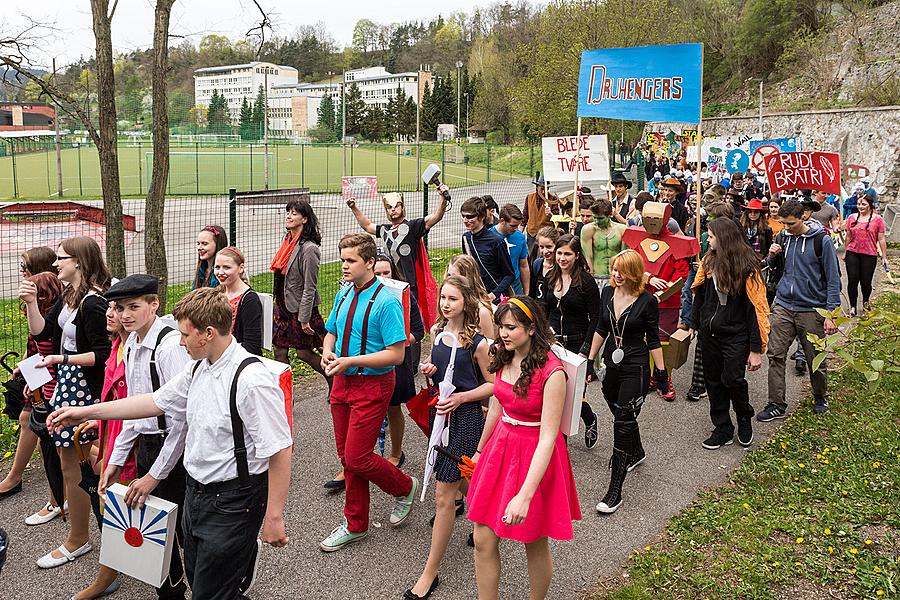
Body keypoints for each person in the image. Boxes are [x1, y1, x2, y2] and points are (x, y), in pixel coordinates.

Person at [49, 287, 293, 599]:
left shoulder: (251, 380)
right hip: (197, 493)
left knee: (208, 593)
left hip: (235, 500)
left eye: (184, 335)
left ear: (207, 333)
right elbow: (151, 402)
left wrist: (274, 516)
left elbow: (280, 449)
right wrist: (84, 412)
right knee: (204, 581)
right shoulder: (198, 368)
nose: (179, 342)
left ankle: (238, 557)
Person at [467, 296, 580, 600]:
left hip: (535, 454)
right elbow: (496, 406)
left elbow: (548, 437)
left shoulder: (553, 372)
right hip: (500, 448)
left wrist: (525, 495)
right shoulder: (503, 354)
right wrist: (479, 451)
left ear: (531, 329)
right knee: (482, 538)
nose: (502, 333)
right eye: (501, 326)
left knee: (534, 539)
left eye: (511, 327)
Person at [319, 233, 418, 552]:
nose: (344, 266)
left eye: (350, 261)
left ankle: (404, 487)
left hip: (373, 385)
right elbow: (331, 330)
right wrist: (327, 351)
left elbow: (397, 354)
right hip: (343, 382)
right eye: (342, 259)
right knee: (348, 458)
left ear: (370, 263)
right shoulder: (344, 293)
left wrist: (351, 360)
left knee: (358, 457)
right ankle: (356, 524)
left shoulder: (388, 301)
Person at [18, 236, 111, 569]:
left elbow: (103, 356)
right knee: (72, 460)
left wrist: (62, 359)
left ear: (79, 262)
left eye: (62, 258)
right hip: (69, 385)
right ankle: (81, 533)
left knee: (80, 461)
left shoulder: (94, 302)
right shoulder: (69, 298)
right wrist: (31, 304)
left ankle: (79, 538)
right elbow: (43, 334)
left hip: (85, 389)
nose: (56, 264)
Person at [405, 276, 494, 600]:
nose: (445, 303)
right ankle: (486, 503)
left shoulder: (479, 343)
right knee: (459, 479)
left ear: (466, 303)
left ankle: (430, 573)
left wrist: (463, 397)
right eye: (443, 297)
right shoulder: (437, 333)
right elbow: (439, 369)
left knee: (444, 495)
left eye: (452, 299)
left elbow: (494, 385)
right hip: (440, 415)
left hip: (466, 418)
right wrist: (429, 369)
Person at [103, 275, 191, 600]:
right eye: (119, 308)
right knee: (156, 534)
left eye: (133, 307)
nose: (125, 315)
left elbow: (182, 419)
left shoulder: (168, 347)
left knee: (185, 530)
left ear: (154, 305)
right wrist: (116, 460)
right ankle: (171, 593)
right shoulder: (132, 344)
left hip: (176, 449)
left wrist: (155, 475)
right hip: (148, 446)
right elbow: (133, 410)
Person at [588, 250, 668, 513]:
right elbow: (601, 326)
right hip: (611, 362)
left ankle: (614, 491)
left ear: (634, 272)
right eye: (613, 269)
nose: (616, 274)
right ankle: (637, 451)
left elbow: (653, 338)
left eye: (622, 270)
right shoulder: (608, 294)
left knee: (622, 423)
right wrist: (589, 359)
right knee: (619, 412)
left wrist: (662, 371)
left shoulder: (647, 301)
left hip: (636, 366)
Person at [69, 298, 138, 600]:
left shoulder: (138, 350)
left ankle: (108, 575)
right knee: (111, 507)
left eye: (121, 308)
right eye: (111, 308)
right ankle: (111, 571)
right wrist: (99, 420)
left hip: (133, 444)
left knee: (119, 508)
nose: (111, 314)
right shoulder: (116, 346)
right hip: (114, 436)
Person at [690, 218, 770, 450]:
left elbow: (755, 309)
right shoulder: (708, 262)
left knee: (733, 379)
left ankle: (744, 416)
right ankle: (723, 426)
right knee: (713, 382)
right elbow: (701, 296)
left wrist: (756, 349)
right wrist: (694, 323)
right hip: (709, 334)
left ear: (724, 239)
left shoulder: (748, 268)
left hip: (736, 335)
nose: (708, 239)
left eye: (711, 236)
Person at [758, 201, 840, 421]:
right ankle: (776, 403)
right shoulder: (782, 237)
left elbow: (833, 279)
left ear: (803, 217)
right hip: (784, 304)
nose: (786, 227)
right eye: (782, 223)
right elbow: (774, 271)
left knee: (814, 357)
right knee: (775, 355)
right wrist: (772, 256)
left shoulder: (821, 241)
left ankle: (820, 395)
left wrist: (830, 313)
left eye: (790, 223)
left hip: (812, 309)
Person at [1, 248, 62, 513]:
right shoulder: (38, 291)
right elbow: (33, 342)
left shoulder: (45, 295)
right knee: (32, 422)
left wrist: (31, 368)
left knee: (44, 426)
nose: (22, 270)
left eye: (26, 266)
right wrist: (24, 364)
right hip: (37, 369)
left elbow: (45, 343)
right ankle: (18, 478)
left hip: (47, 372)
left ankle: (55, 493)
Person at [346, 188, 448, 328]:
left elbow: (436, 217)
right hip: (388, 284)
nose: (393, 210)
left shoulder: (412, 227)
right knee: (390, 321)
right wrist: (354, 208)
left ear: (402, 207)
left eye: (396, 206)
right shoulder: (384, 230)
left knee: (409, 323)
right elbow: (367, 225)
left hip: (409, 285)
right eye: (389, 207)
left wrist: (443, 199)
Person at [543, 235, 601, 448]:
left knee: (572, 398)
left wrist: (587, 351)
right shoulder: (550, 276)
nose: (562, 258)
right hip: (552, 345)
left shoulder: (586, 282)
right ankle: (558, 446)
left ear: (577, 255)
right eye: (559, 253)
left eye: (567, 253)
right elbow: (545, 309)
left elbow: (596, 318)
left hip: (577, 346)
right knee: (552, 394)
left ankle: (590, 418)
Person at [271, 198, 330, 385]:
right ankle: (285, 396)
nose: (288, 216)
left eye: (294, 213)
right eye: (288, 212)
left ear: (304, 219)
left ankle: (332, 378)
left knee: (304, 353)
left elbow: (310, 286)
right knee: (279, 351)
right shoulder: (288, 241)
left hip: (300, 309)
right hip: (282, 306)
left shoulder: (309, 249)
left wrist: (304, 317)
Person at [376, 253, 424, 470]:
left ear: (393, 272)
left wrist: (399, 342)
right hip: (369, 361)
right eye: (377, 274)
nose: (382, 277)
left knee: (393, 407)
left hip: (396, 361)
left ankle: (396, 452)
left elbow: (418, 331)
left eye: (386, 272)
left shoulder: (405, 295)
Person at [461, 196, 516, 302]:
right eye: (463, 216)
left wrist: (494, 294)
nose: (465, 220)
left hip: (495, 299)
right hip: (476, 297)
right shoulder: (466, 238)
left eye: (469, 217)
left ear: (481, 217)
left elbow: (509, 275)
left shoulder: (497, 241)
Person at [843, 192, 887, 315]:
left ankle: (866, 301)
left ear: (869, 205)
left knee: (866, 282)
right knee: (852, 279)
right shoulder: (852, 218)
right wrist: (845, 252)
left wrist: (884, 256)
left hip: (869, 253)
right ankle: (852, 306)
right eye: (858, 204)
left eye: (863, 204)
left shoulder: (878, 219)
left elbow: (882, 239)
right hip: (853, 252)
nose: (860, 206)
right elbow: (848, 236)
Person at [215, 246, 263, 356]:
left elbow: (252, 346)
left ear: (240, 268)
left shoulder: (249, 300)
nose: (220, 272)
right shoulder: (218, 293)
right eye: (217, 267)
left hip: (238, 359)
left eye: (226, 267)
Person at [447, 255, 496, 338]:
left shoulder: (481, 311)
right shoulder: (447, 303)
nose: (449, 280)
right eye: (449, 275)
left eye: (455, 277)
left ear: (467, 278)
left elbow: (489, 345)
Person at [581, 198, 626, 285]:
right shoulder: (588, 229)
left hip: (616, 276)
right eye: (594, 218)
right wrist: (590, 278)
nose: (597, 221)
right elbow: (588, 257)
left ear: (610, 215)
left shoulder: (622, 229)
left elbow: (624, 257)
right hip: (596, 276)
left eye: (600, 218)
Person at [492, 204, 531, 295]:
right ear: (502, 221)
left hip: (515, 286)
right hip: (496, 286)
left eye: (517, 226)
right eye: (513, 226)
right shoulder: (489, 237)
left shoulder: (520, 237)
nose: (516, 229)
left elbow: (523, 265)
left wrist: (526, 292)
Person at [521, 174, 555, 252]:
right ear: (537, 187)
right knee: (531, 255)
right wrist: (520, 231)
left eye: (546, 189)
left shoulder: (553, 199)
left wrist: (551, 215)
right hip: (532, 234)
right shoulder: (529, 197)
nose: (543, 192)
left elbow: (556, 219)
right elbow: (525, 216)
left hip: (546, 235)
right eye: (542, 189)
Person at [529, 226, 560, 303]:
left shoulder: (561, 267)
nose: (545, 251)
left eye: (549, 247)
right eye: (541, 247)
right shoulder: (537, 264)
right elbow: (532, 291)